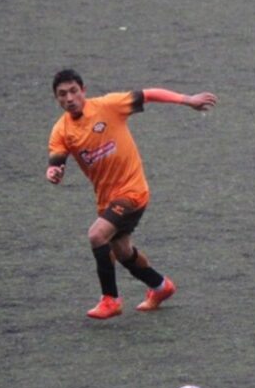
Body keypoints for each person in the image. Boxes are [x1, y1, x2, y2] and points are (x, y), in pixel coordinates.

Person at [46, 69, 218, 319]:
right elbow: (56, 161)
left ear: (83, 90)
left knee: (96, 235)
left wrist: (187, 99)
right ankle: (160, 287)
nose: (69, 98)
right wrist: (54, 173)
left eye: (74, 91)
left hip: (132, 191)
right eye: (63, 94)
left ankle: (110, 299)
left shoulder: (109, 106)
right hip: (107, 199)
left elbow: (149, 94)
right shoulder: (61, 130)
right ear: (57, 99)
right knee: (123, 251)